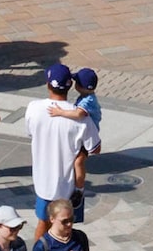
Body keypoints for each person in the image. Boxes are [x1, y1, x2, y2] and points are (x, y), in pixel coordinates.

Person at [25, 61, 98, 230]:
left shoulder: (33, 108)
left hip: (44, 184)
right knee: (67, 229)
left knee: (43, 225)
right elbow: (95, 148)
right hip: (70, 189)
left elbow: (30, 133)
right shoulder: (81, 118)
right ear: (70, 85)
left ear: (47, 84)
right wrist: (81, 155)